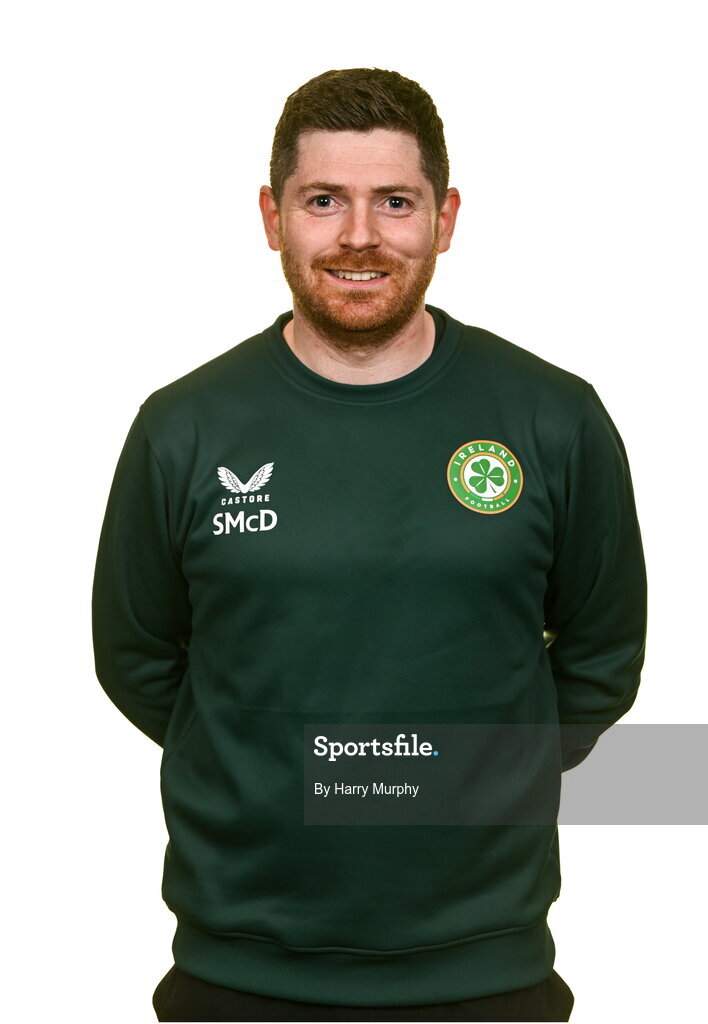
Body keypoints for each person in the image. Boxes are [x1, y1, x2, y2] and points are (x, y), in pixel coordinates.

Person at [92, 68, 647, 1022]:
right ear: (273, 217)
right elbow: (137, 657)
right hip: (237, 976)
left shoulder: (555, 418)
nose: (359, 235)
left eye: (395, 200)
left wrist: (460, 778)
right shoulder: (182, 429)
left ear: (445, 217)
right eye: (323, 201)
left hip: (488, 976)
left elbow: (602, 657)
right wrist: (262, 768)